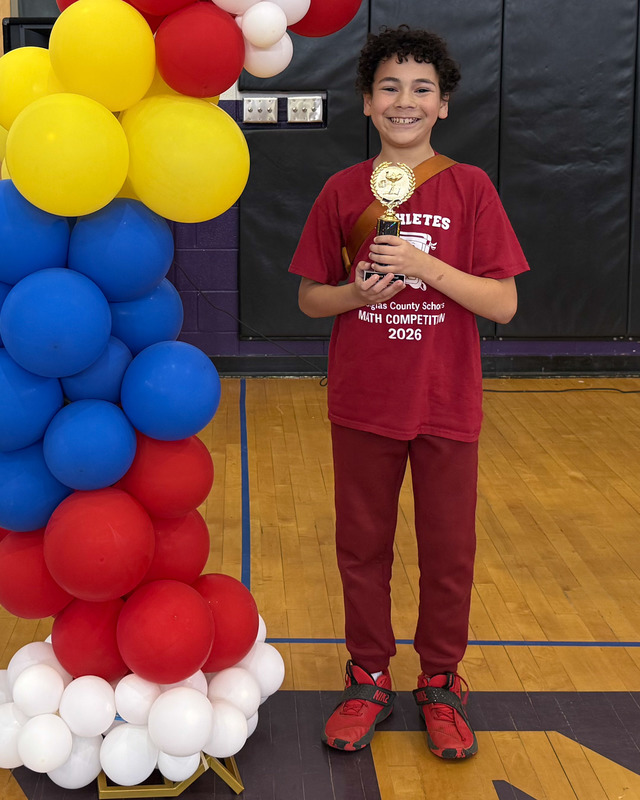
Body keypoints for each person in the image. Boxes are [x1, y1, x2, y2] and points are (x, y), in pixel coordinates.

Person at [289, 24, 529, 760]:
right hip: (364, 400)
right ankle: (367, 676)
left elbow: (503, 304)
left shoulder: (470, 188)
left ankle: (441, 682)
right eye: (389, 87)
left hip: (446, 400)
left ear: (443, 105)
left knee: (448, 552)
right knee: (362, 547)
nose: (404, 101)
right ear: (367, 101)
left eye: (421, 88)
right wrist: (355, 296)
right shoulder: (341, 191)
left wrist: (427, 268)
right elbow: (308, 300)